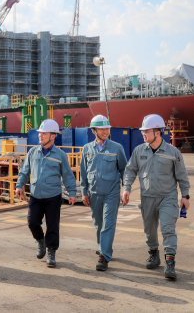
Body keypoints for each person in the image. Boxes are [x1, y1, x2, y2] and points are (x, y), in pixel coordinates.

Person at [122, 114, 191, 280]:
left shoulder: (173, 152)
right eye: (142, 131)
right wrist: (126, 188)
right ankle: (153, 253)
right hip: (147, 197)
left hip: (168, 197)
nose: (143, 134)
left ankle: (170, 262)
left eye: (146, 131)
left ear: (157, 132)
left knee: (168, 229)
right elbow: (130, 170)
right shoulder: (139, 151)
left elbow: (182, 175)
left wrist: (185, 195)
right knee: (150, 231)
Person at [15, 119, 77, 268]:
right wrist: (19, 185)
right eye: (40, 133)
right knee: (32, 222)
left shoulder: (60, 155)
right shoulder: (33, 152)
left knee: (52, 226)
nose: (40, 136)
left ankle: (51, 251)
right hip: (36, 196)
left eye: (44, 133)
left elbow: (68, 175)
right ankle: (40, 241)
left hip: (53, 197)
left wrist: (72, 192)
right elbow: (24, 171)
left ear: (53, 136)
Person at [80, 115, 127, 271]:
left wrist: (125, 189)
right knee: (98, 224)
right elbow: (83, 172)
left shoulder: (117, 148)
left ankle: (104, 256)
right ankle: (104, 247)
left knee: (108, 224)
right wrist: (84, 191)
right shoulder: (87, 149)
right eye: (102, 129)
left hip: (112, 193)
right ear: (94, 131)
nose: (105, 131)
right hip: (94, 192)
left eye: (107, 128)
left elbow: (124, 170)